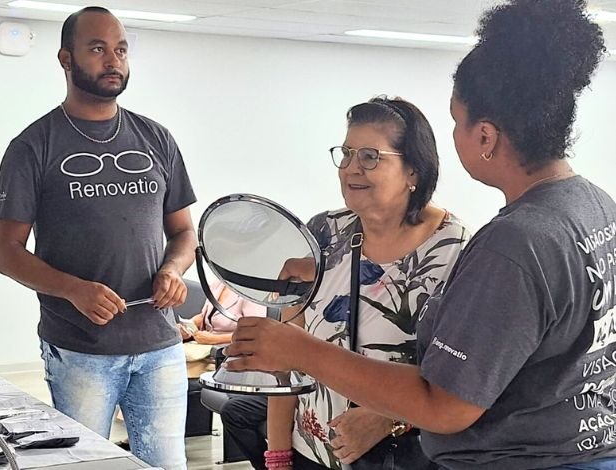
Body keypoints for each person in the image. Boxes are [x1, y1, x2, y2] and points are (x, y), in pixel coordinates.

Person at [226, 1, 616, 469]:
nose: (353, 167)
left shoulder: (510, 245)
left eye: (457, 122)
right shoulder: (594, 206)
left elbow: (445, 404)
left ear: (486, 137)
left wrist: (300, 350)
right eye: (346, 154)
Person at [0, 7, 196, 470]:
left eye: (120, 50)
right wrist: (73, 289)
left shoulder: (156, 139)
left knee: (168, 465)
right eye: (98, 49)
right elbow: (5, 253)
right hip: (81, 348)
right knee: (84, 466)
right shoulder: (33, 146)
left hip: (160, 344)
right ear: (66, 59)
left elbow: (184, 232)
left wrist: (173, 269)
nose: (113, 61)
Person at [266, 97, 470, 469]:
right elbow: (287, 359)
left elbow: (464, 380)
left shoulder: (454, 250)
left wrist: (390, 418)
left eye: (369, 157)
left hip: (403, 458)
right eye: (345, 154)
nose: (350, 169)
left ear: (414, 172)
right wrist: (278, 456)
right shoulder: (324, 233)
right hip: (311, 451)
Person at [179, 280, 266, 345]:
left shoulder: (253, 293)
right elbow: (205, 316)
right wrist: (188, 325)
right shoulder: (218, 284)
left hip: (231, 351)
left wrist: (214, 339)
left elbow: (254, 333)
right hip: (205, 347)